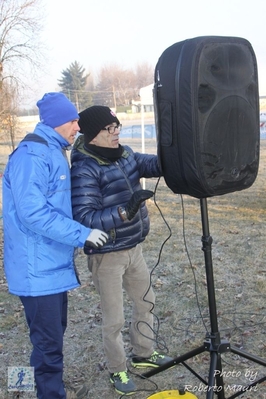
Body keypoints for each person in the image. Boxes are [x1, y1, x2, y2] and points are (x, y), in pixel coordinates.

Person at [2, 93, 108, 399]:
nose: (78, 126)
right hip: (37, 269)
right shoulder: (33, 155)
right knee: (49, 346)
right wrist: (81, 234)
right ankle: (48, 393)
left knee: (49, 338)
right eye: (73, 120)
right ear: (57, 121)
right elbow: (32, 211)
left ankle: (27, 388)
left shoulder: (52, 149)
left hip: (48, 265)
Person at [70, 105, 173, 395]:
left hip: (133, 247)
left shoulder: (124, 153)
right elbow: (84, 217)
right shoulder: (84, 167)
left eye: (117, 127)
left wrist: (174, 155)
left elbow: (150, 164)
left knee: (145, 302)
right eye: (109, 129)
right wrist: (125, 212)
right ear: (92, 135)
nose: (116, 133)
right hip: (107, 254)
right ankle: (118, 369)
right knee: (113, 318)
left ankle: (143, 353)